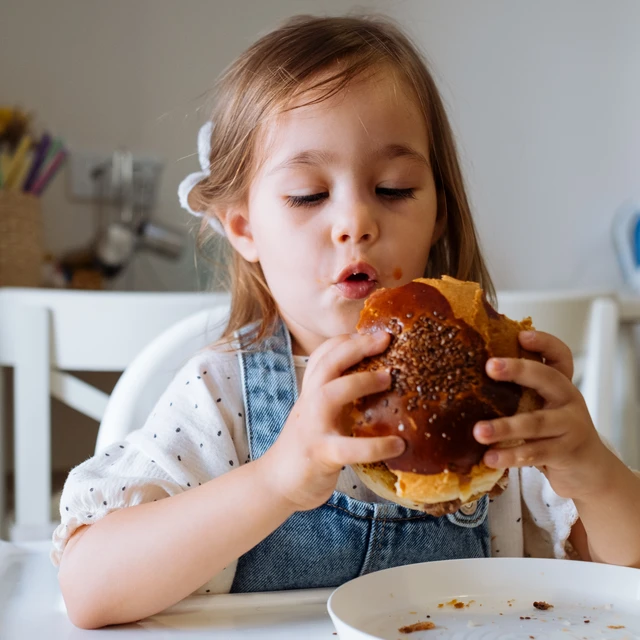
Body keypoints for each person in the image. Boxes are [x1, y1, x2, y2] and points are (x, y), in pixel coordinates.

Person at [52, 14, 640, 630]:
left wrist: (590, 470)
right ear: (244, 226)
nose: (356, 221)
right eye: (308, 194)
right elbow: (90, 590)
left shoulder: (501, 395)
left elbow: (615, 582)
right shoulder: (220, 398)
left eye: (393, 188)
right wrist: (276, 480)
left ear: (439, 210)